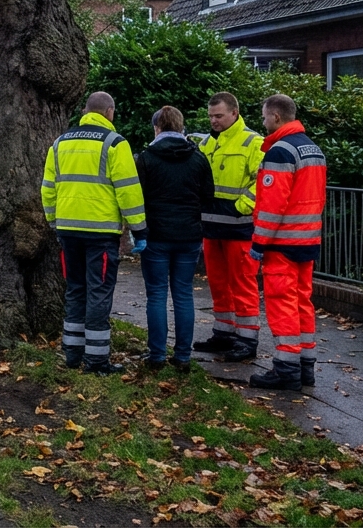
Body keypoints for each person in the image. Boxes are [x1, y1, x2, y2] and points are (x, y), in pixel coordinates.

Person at [41, 91, 147, 374]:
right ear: (109, 112)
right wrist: (139, 228)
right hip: (100, 232)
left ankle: (73, 354)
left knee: (75, 289)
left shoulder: (59, 143)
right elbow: (128, 190)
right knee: (99, 292)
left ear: (85, 111)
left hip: (67, 230)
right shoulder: (115, 143)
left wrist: (53, 220)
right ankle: (97, 360)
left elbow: (48, 187)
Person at [248, 93, 326, 391]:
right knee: (302, 301)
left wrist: (258, 244)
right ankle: (306, 367)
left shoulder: (280, 151)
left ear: (276, 117)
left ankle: (286, 369)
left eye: (265, 116)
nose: (263, 121)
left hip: (281, 244)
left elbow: (272, 205)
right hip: (307, 240)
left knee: (282, 303)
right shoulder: (313, 149)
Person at [134, 106, 214, 372]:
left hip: (156, 235)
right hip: (189, 235)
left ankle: (156, 355)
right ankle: (183, 356)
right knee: (183, 294)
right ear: (182, 128)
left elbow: (138, 197)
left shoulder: (146, 158)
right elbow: (208, 196)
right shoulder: (198, 159)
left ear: (157, 128)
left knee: (156, 295)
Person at [191, 92, 266, 362]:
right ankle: (224, 333)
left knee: (242, 283)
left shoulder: (253, 142)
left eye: (219, 116)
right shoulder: (209, 143)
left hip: (238, 228)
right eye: (211, 116)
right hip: (212, 228)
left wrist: (241, 206)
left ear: (234, 113)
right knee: (218, 283)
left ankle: (247, 339)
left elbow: (264, 180)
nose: (213, 121)